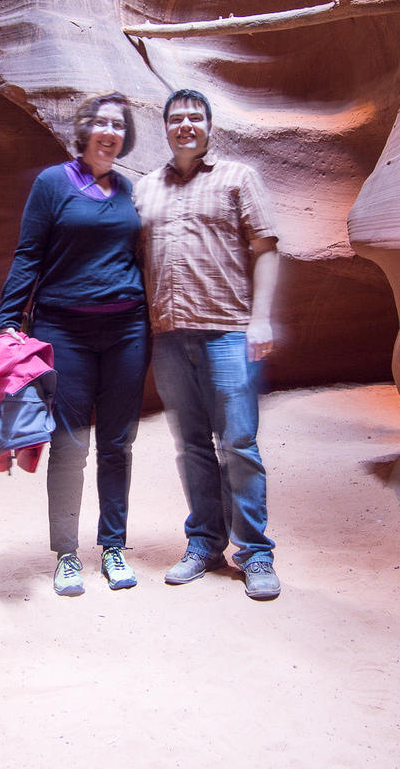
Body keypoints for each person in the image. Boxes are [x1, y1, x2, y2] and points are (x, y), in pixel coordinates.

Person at [0, 92, 149, 596]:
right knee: (70, 444)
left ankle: (113, 546)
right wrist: (7, 322)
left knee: (118, 443)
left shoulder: (128, 190)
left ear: (125, 136)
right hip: (65, 332)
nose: (109, 131)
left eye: (118, 124)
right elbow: (28, 254)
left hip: (126, 331)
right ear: (83, 131)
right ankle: (66, 554)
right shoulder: (53, 183)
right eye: (100, 122)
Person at [133, 88, 281, 600]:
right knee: (191, 445)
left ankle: (255, 552)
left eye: (196, 117)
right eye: (177, 118)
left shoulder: (239, 178)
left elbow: (265, 248)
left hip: (227, 331)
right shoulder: (146, 188)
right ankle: (203, 543)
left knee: (238, 442)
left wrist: (261, 319)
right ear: (167, 128)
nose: (186, 124)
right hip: (169, 336)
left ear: (209, 126)